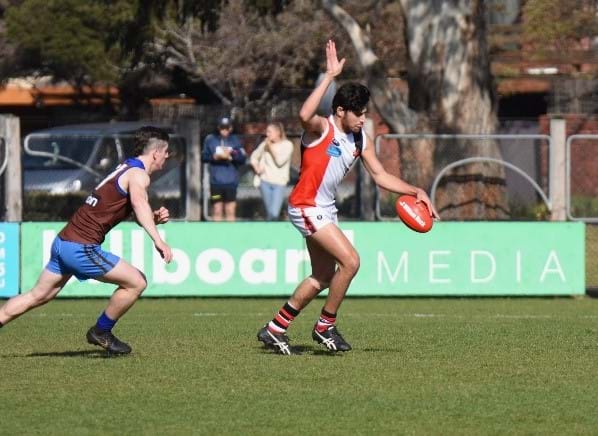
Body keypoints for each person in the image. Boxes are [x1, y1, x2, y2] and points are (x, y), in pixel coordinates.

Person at [257, 40, 439, 355]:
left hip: (325, 209)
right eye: (358, 113)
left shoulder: (359, 138)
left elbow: (380, 175)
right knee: (351, 261)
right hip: (306, 206)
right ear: (340, 110)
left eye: (365, 113)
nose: (363, 119)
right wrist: (329, 76)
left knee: (322, 276)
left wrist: (415, 190)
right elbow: (304, 113)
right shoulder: (321, 129)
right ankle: (325, 325)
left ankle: (275, 329)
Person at [0, 126, 174, 355]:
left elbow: (130, 209)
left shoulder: (125, 168)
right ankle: (101, 331)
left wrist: (152, 219)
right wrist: (158, 240)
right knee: (137, 282)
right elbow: (139, 204)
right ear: (156, 153)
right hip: (80, 247)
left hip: (63, 242)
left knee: (36, 296)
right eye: (166, 151)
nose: (167, 156)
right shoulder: (139, 175)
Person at [202, 116, 246, 221]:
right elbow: (204, 156)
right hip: (216, 183)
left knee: (230, 209)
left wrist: (231, 155)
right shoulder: (210, 139)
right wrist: (214, 157)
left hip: (231, 182)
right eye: (222, 128)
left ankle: (231, 231)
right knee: (217, 209)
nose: (224, 130)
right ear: (218, 127)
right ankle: (217, 231)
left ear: (231, 128)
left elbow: (242, 158)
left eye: (227, 128)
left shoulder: (235, 140)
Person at [250, 121, 294, 220]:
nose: (267, 134)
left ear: (278, 132)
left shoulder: (287, 145)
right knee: (269, 212)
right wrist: (257, 167)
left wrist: (270, 147)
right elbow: (254, 157)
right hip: (265, 181)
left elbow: (280, 162)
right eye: (267, 132)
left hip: (279, 182)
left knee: (274, 212)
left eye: (270, 132)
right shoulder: (264, 144)